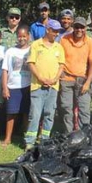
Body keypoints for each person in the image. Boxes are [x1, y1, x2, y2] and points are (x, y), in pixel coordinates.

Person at [23, 20, 65, 149]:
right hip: (37, 86)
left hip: (53, 86)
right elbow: (31, 63)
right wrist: (41, 78)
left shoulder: (59, 47)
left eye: (58, 31)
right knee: (35, 114)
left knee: (49, 114)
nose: (56, 33)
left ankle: (45, 141)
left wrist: (54, 79)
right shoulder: (36, 45)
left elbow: (61, 65)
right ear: (47, 29)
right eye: (54, 31)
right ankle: (30, 141)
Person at [59, 17, 92, 133]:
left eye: (82, 27)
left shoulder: (90, 42)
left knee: (84, 109)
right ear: (73, 27)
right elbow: (59, 59)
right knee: (66, 109)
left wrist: (88, 82)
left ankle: (83, 136)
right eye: (76, 27)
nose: (79, 29)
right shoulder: (64, 39)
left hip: (82, 80)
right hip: (66, 79)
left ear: (85, 28)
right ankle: (69, 134)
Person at [1, 26, 32, 146]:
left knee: (26, 113)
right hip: (12, 86)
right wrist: (5, 87)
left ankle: (26, 137)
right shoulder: (10, 51)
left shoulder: (32, 50)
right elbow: (5, 70)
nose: (22, 38)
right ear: (16, 37)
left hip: (27, 86)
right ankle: (8, 137)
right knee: (11, 113)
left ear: (28, 36)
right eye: (19, 36)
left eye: (24, 36)